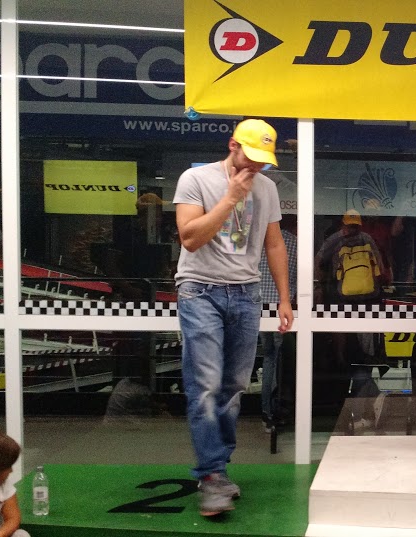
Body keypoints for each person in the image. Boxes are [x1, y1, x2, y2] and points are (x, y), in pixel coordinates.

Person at [174, 119, 294, 517]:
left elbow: (274, 244)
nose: (256, 166)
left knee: (234, 386)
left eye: (264, 160)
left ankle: (218, 468)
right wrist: (230, 198)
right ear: (233, 146)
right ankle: (211, 474)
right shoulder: (195, 179)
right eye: (251, 156)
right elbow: (190, 238)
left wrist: (284, 298)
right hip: (200, 290)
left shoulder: (267, 188)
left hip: (246, 293)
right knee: (206, 385)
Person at [314, 209, 387, 428]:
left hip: (342, 302)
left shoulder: (334, 240)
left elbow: (318, 262)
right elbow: (381, 269)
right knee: (364, 357)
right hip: (368, 302)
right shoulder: (367, 239)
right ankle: (365, 406)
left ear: (342, 224)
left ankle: (353, 408)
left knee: (348, 357)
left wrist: (321, 286)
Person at [258, 216, 298, 433]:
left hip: (259, 307)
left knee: (269, 357)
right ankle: (278, 409)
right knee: (282, 361)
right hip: (283, 308)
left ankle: (267, 411)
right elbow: (299, 280)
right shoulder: (293, 243)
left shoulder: (259, 240)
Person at [0, 431, 30, 537]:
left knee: (21, 534)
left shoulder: (2, 484)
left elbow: (13, 518)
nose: (11, 470)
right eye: (7, 466)